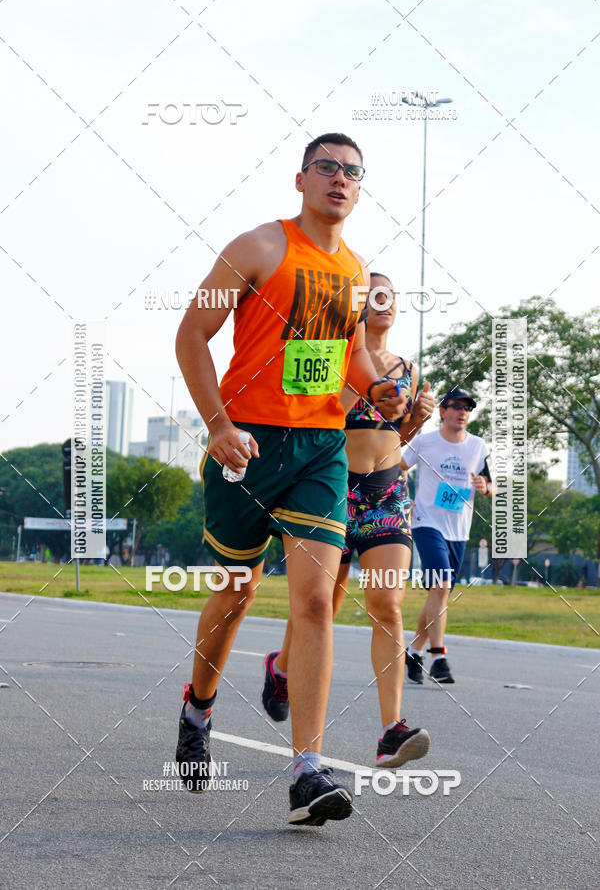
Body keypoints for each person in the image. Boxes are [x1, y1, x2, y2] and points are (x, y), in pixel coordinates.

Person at [174, 132, 409, 827]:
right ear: (301, 180)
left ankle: (308, 768)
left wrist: (383, 390)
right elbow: (191, 335)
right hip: (246, 444)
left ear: (360, 191)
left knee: (313, 601)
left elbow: (349, 360)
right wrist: (218, 427)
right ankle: (198, 706)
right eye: (327, 168)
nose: (340, 179)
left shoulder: (357, 272)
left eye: (353, 173)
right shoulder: (256, 248)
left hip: (318, 450)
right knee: (238, 593)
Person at [262, 273, 436, 767]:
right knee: (322, 607)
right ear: (356, 306)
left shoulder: (409, 368)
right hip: (331, 490)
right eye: (373, 295)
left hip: (385, 495)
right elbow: (315, 422)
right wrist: (364, 389)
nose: (383, 303)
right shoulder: (333, 360)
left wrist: (416, 419)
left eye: (390, 296)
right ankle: (283, 668)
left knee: (387, 602)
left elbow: (396, 441)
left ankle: (390, 731)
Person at [401, 388, 494, 684]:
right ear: (443, 411)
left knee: (438, 596)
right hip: (427, 523)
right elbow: (399, 468)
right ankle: (439, 657)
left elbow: (491, 485)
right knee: (440, 585)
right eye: (456, 406)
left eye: (467, 408)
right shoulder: (425, 442)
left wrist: (485, 486)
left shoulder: (478, 447)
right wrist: (404, 498)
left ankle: (413, 651)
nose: (462, 412)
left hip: (459, 531)